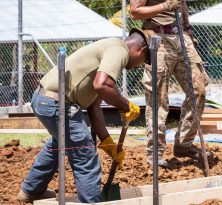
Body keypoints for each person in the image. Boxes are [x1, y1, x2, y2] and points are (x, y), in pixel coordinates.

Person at [17, 28, 149, 203]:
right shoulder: (119, 50)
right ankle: (90, 202)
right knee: (85, 154)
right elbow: (102, 85)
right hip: (57, 103)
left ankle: (32, 190)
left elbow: (94, 106)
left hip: (43, 99)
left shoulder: (108, 49)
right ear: (142, 51)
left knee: (58, 145)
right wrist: (126, 105)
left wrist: (107, 141)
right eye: (144, 62)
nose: (138, 66)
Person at [130, 0, 210, 167]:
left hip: (181, 37)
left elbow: (182, 5)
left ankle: (183, 144)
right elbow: (135, 12)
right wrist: (166, 6)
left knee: (199, 90)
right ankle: (155, 153)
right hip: (157, 38)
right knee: (158, 98)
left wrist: (188, 31)